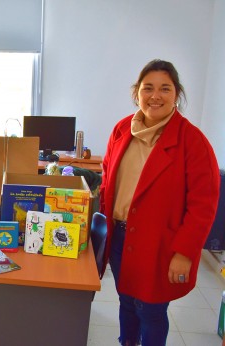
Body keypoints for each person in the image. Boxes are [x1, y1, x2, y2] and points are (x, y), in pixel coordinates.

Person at [99, 59, 220, 346]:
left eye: (165, 88)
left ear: (176, 94)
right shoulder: (121, 130)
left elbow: (204, 204)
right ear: (136, 92)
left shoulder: (192, 141)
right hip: (120, 237)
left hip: (161, 244)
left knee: (151, 310)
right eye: (148, 88)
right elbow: (107, 178)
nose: (155, 96)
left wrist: (185, 254)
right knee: (126, 302)